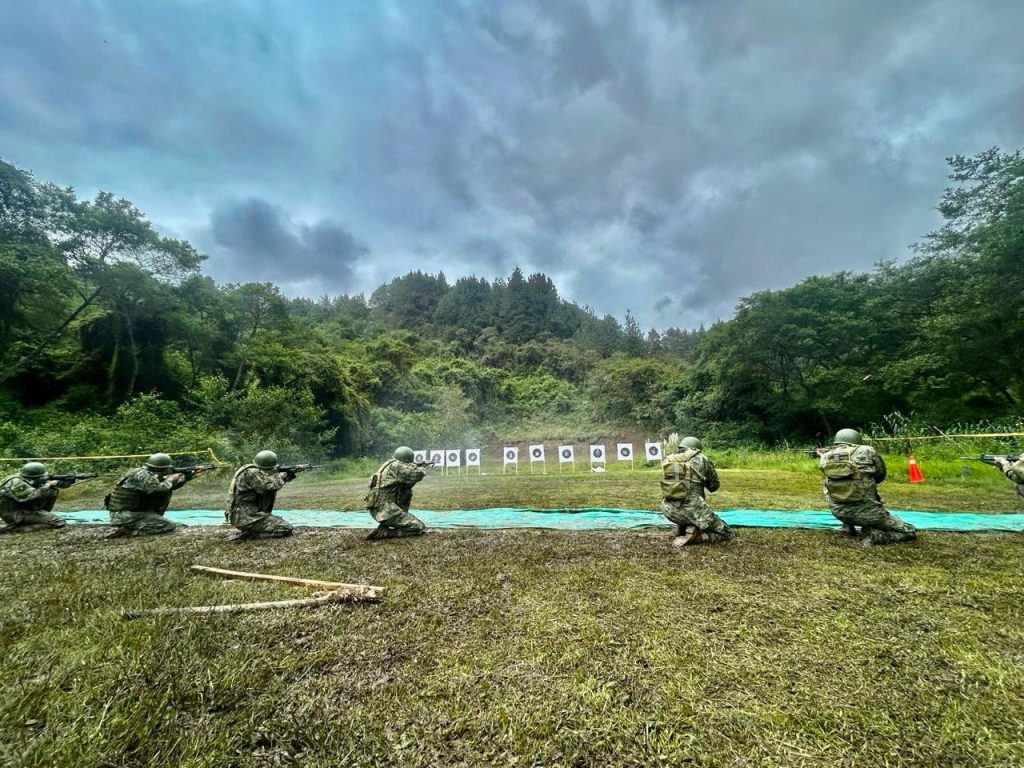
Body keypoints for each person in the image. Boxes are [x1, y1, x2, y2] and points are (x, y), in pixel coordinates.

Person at [819, 429, 917, 546]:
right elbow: (880, 475)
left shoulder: (826, 456)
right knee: (910, 530)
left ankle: (847, 527)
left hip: (839, 513)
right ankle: (876, 536)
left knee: (834, 484)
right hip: (871, 515)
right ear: (856, 439)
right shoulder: (868, 451)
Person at [105, 453, 205, 538]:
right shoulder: (143, 476)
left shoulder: (143, 473)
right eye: (166, 470)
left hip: (127, 513)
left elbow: (168, 488)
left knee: (168, 519)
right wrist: (170, 480)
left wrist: (187, 477)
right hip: (126, 515)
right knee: (168, 526)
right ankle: (131, 532)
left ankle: (133, 526)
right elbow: (158, 490)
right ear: (159, 469)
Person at [660, 436, 732, 547]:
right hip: (693, 510)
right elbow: (714, 486)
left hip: (668, 510)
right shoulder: (701, 458)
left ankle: (683, 527)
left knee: (687, 505)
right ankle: (697, 537)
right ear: (696, 448)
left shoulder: (668, 459)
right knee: (725, 531)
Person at [225, 450, 297, 541]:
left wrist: (289, 474)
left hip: (243, 514)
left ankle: (252, 530)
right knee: (286, 528)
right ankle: (252, 534)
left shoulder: (249, 470)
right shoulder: (252, 472)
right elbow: (268, 487)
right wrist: (281, 476)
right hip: (246, 516)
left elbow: (270, 482)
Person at [365, 446, 427, 541]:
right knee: (418, 527)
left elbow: (406, 482)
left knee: (406, 489)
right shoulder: (397, 466)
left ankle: (385, 525)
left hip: (377, 509)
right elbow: (417, 474)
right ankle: (387, 533)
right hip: (386, 511)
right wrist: (422, 468)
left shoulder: (388, 464)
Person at [0, 462, 70, 532]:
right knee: (58, 522)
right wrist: (48, 485)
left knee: (52, 491)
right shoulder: (17, 482)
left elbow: (42, 489)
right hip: (14, 515)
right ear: (35, 476)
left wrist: (62, 483)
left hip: (21, 509)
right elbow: (32, 496)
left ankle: (40, 516)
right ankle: (14, 529)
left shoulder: (25, 479)